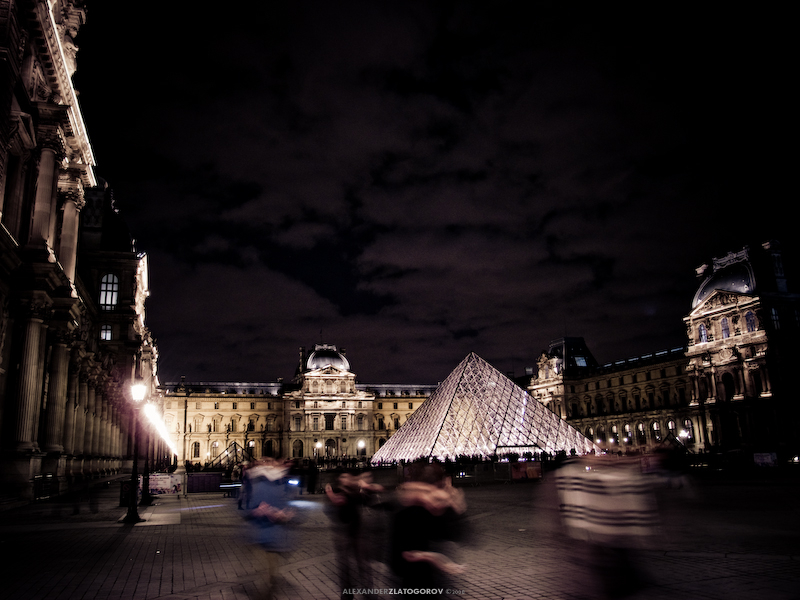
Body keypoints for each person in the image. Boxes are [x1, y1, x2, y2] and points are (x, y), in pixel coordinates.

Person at [390, 462, 467, 599]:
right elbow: (399, 560)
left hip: (430, 584)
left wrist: (456, 507)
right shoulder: (406, 513)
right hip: (415, 585)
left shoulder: (433, 512)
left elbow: (457, 534)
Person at [243, 457, 296, 599]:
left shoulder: (282, 483)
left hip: (276, 538)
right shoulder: (255, 483)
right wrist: (256, 511)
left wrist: (286, 514)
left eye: (272, 463)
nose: (270, 466)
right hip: (261, 537)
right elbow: (243, 507)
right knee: (266, 576)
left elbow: (292, 506)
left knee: (272, 576)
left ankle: (269, 590)